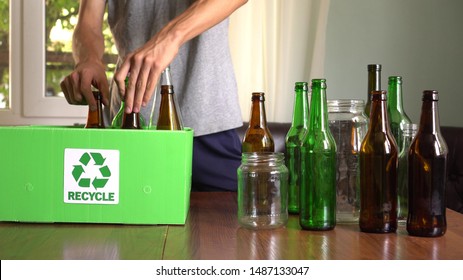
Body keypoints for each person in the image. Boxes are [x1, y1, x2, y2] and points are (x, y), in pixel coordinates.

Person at [60, 0, 248, 191]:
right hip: (130, 125)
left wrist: (170, 36)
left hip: (208, 121)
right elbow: (88, 24)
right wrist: (88, 59)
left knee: (228, 218)